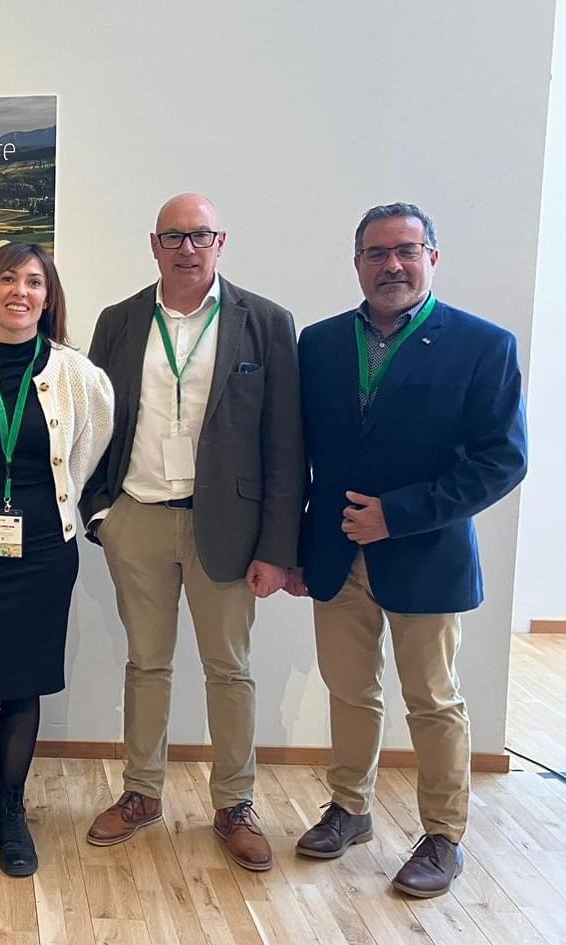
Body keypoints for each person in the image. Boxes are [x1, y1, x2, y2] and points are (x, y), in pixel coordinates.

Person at [289, 203, 526, 898]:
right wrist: (296, 545)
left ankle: (443, 833)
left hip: (427, 554)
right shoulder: (321, 343)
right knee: (349, 689)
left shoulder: (483, 345)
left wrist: (398, 515)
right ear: (356, 261)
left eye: (407, 250)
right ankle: (349, 807)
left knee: (433, 698)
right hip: (335, 553)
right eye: (376, 252)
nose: (392, 264)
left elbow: (502, 461)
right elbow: (303, 454)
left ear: (433, 257)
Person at [80, 194, 304, 872]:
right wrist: (101, 513)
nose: (187, 247)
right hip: (139, 518)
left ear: (220, 241)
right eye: (174, 236)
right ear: (154, 244)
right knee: (146, 663)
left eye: (199, 235)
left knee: (228, 669)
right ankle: (142, 792)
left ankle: (234, 802)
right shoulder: (118, 321)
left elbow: (285, 443)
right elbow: (94, 422)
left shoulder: (263, 322)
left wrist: (276, 546)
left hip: (229, 528)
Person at [0, 244, 113, 876]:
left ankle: (11, 814)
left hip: (41, 552)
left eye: (34, 282)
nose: (20, 291)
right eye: (8, 278)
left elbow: (88, 453)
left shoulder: (77, 376)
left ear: (48, 297)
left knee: (21, 685)